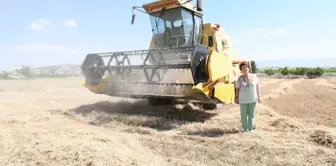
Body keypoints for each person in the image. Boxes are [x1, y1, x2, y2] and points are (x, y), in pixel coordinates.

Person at [234, 62, 261, 132]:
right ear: (241, 70)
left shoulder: (254, 76)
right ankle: (245, 129)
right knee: (243, 116)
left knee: (251, 115)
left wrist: (259, 96)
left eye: (246, 67)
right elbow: (237, 88)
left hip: (252, 99)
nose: (245, 69)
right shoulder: (240, 78)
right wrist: (236, 97)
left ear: (249, 68)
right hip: (243, 100)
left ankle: (251, 128)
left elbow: (257, 86)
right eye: (243, 68)